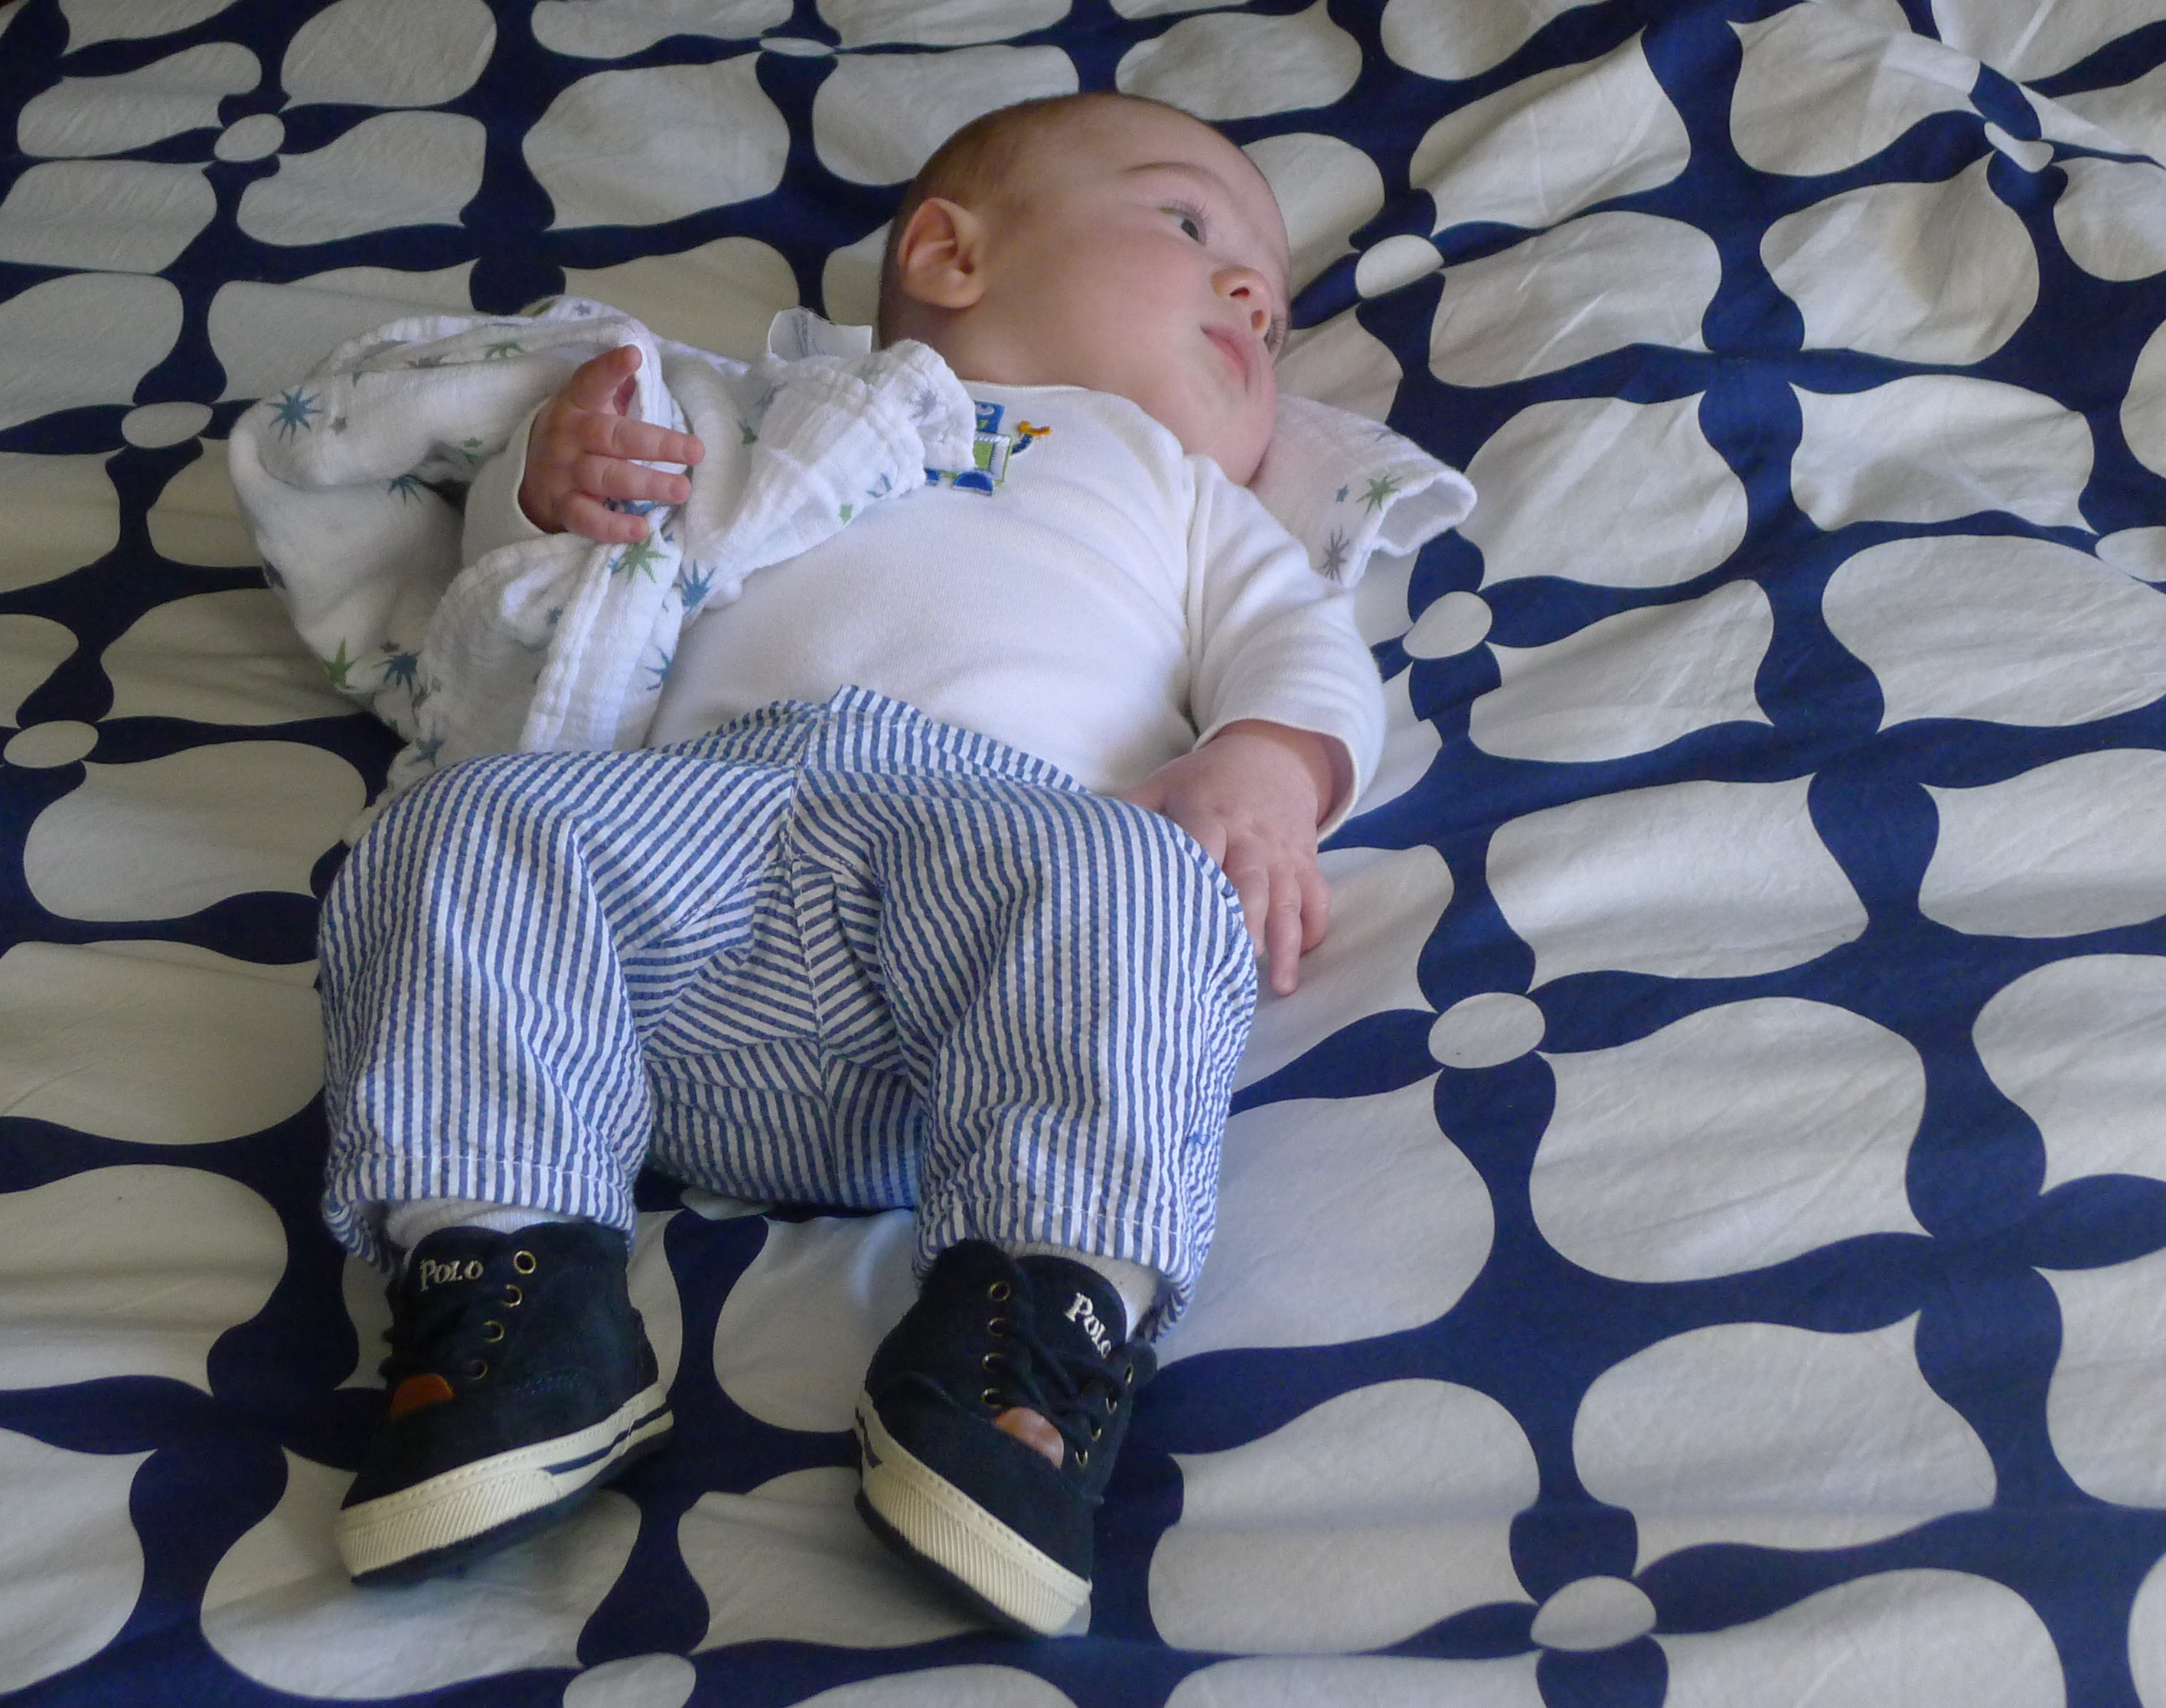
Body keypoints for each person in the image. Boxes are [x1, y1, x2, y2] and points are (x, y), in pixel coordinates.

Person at [317, 90, 1381, 1637]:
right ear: (950, 255)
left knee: (1145, 886)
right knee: (460, 829)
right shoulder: (758, 415)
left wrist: (1266, 768)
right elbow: (563, 579)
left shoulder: (1178, 490)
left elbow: (1306, 648)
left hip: (988, 970)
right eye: (1188, 223)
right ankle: (511, 1293)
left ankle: (1030, 1331)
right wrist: (550, 488)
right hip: (687, 879)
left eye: (1271, 311)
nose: (1251, 299)